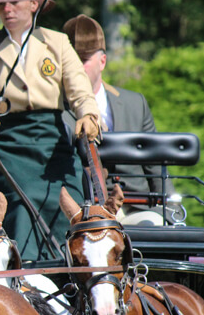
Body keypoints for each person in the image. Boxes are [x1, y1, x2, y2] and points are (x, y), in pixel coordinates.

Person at [0, 0, 100, 262]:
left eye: (14, 3)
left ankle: (73, 271)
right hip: (5, 144)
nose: (7, 10)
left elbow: (80, 92)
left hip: (52, 142)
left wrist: (88, 115)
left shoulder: (57, 43)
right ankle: (23, 272)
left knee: (69, 200)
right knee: (19, 201)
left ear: (33, 5)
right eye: (1, 5)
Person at [62, 14, 175, 225]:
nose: (76, 68)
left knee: (153, 225)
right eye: (71, 61)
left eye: (83, 61)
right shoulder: (56, 110)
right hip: (84, 212)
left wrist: (172, 212)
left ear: (102, 61)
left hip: (137, 208)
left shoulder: (135, 104)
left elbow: (155, 164)